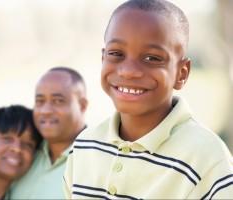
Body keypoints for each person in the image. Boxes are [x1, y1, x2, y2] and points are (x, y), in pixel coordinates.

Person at [63, 0, 233, 199]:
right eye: (116, 54)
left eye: (152, 58)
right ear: (103, 59)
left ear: (182, 73)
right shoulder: (84, 145)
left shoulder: (207, 158)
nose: (129, 72)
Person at [10, 67, 88, 199]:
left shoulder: (99, 158)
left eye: (58, 101)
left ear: (82, 105)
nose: (46, 110)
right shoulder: (23, 154)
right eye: (40, 101)